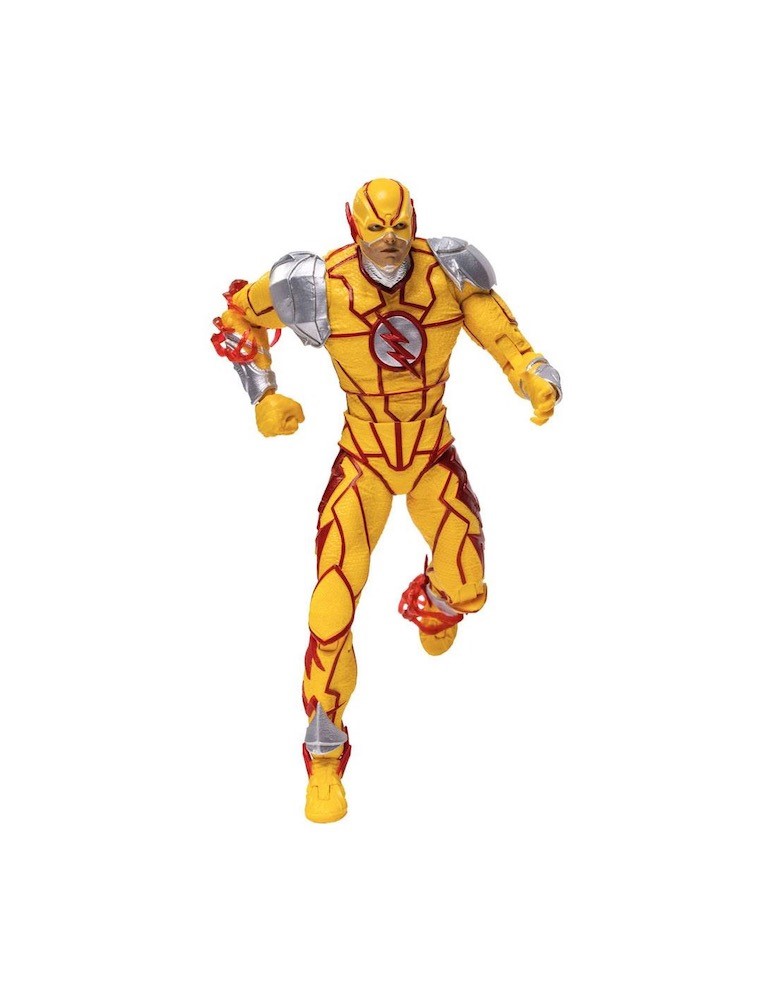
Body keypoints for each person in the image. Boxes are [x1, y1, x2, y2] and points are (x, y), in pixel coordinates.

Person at [212, 178, 562, 822]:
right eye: (376, 229)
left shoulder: (449, 270)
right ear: (354, 227)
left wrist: (534, 377)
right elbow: (238, 315)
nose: (390, 240)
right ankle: (324, 760)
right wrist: (263, 395)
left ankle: (437, 602)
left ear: (414, 222)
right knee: (331, 608)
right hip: (363, 460)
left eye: (399, 227)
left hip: (430, 453)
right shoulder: (317, 283)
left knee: (469, 585)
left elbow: (504, 336)